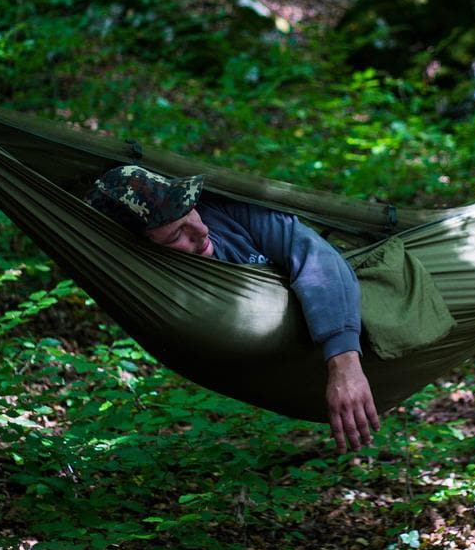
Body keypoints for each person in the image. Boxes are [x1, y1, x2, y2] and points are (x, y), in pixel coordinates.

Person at [88, 164, 380, 452]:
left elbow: (314, 257)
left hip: (356, 307)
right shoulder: (152, 285)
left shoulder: (226, 211)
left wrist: (344, 364)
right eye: (177, 235)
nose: (201, 231)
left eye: (190, 211)